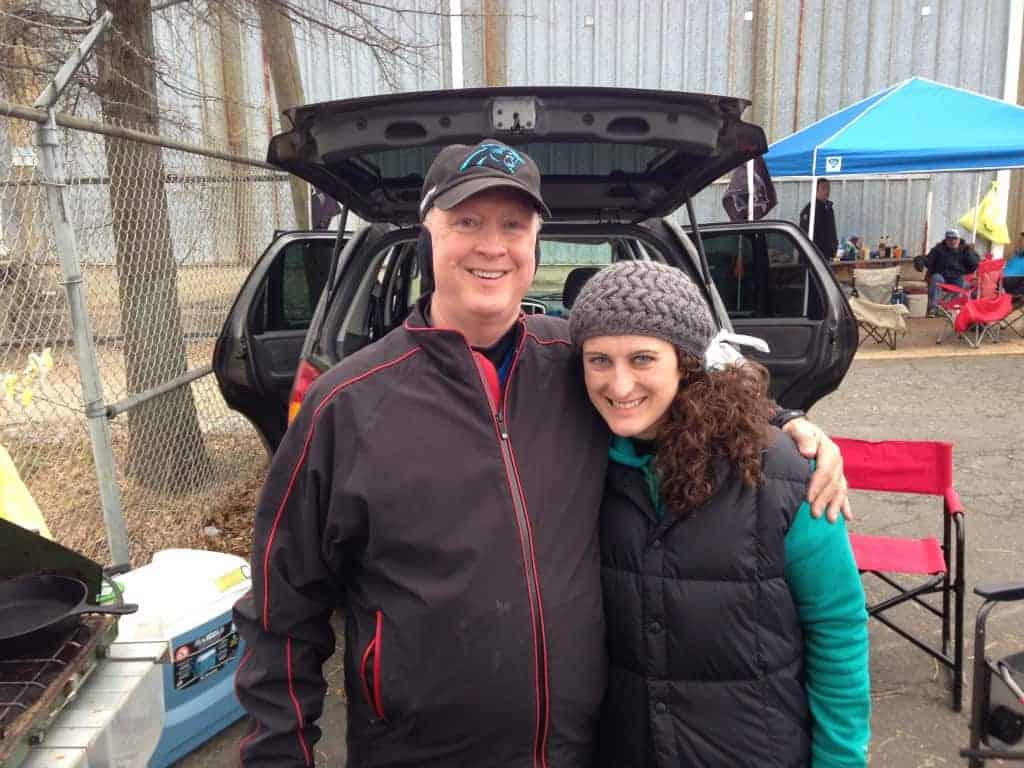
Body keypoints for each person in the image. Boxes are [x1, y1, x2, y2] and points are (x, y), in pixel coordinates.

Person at [232, 139, 850, 767]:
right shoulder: (348, 402)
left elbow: (684, 380)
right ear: (429, 231)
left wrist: (787, 424)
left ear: (535, 243)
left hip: (578, 750)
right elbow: (283, 610)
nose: (491, 246)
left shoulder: (574, 363)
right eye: (467, 221)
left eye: (513, 225)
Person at [570, 260, 870, 767]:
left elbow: (837, 629)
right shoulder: (577, 465)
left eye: (643, 358)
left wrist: (840, 759)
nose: (619, 386)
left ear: (687, 362)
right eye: (599, 360)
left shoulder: (783, 474)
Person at [924, 228, 980, 316]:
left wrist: (969, 254)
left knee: (966, 284)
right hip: (942, 277)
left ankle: (948, 308)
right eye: (950, 239)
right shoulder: (938, 249)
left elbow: (975, 264)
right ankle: (933, 308)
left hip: (958, 278)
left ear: (959, 239)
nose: (953, 241)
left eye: (955, 238)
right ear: (946, 240)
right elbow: (928, 261)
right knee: (935, 278)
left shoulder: (966, 249)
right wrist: (920, 259)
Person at [799, 178, 839, 260]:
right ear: (816, 190)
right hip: (814, 256)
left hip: (826, 256)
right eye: (823, 188)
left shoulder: (828, 208)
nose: (827, 191)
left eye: (828, 188)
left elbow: (831, 231)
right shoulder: (810, 209)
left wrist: (833, 248)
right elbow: (806, 234)